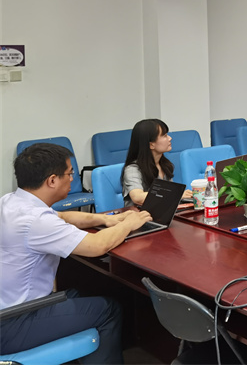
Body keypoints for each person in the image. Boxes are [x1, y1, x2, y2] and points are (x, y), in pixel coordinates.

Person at [0, 143, 152, 362]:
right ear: (52, 180)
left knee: (81, 293)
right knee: (109, 310)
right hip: (15, 321)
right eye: (70, 174)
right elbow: (97, 245)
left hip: (10, 308)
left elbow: (62, 217)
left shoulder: (11, 202)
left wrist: (106, 219)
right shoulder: (36, 221)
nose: (72, 180)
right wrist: (129, 224)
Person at [121, 118, 191, 207]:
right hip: (139, 214)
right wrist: (176, 194)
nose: (170, 138)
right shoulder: (132, 169)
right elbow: (137, 197)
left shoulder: (164, 164)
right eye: (164, 135)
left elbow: (167, 197)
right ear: (151, 144)